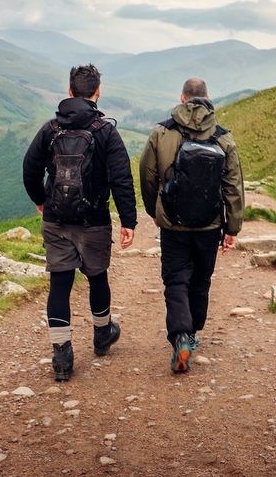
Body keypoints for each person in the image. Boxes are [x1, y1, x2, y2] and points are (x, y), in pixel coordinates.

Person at [23, 64, 137, 381]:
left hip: (56, 219)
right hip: (95, 220)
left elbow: (29, 168)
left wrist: (41, 200)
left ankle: (62, 357)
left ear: (70, 91)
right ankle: (102, 335)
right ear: (97, 93)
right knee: (97, 277)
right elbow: (122, 179)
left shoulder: (50, 129)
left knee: (60, 283)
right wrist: (129, 220)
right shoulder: (106, 132)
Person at [139, 77, 243, 374]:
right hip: (209, 226)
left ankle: (181, 336)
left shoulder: (161, 132)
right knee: (201, 280)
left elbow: (147, 176)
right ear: (208, 98)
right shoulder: (223, 137)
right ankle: (193, 333)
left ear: (182, 98)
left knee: (175, 280)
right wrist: (232, 227)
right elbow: (233, 185)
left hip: (172, 224)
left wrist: (156, 210)